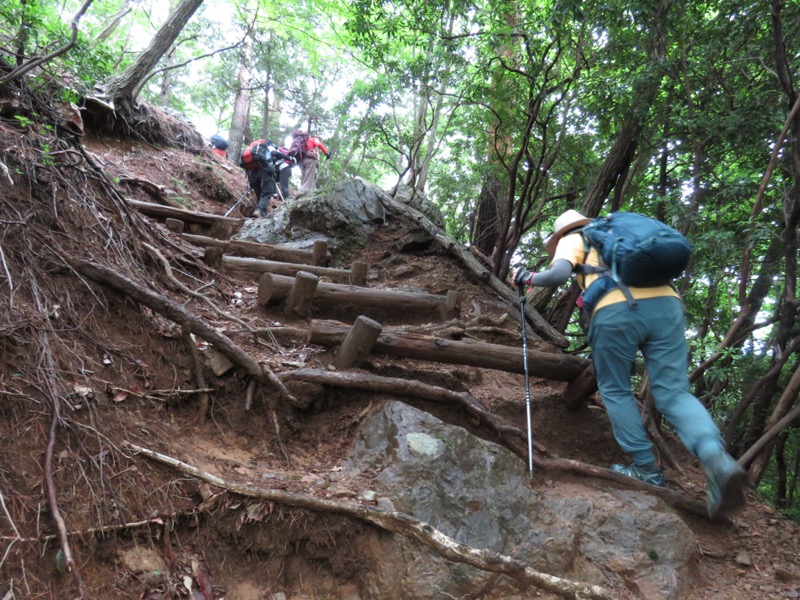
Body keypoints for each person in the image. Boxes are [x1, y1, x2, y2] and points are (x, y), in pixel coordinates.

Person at [512, 209, 749, 520]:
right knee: (675, 394)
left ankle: (646, 470)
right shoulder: (620, 234)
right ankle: (717, 460)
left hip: (615, 309)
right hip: (667, 305)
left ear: (562, 232)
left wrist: (526, 276)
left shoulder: (574, 238)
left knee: (615, 388)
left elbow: (556, 275)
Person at [245, 141, 291, 218]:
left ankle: (260, 210)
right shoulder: (268, 146)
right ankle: (260, 211)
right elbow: (273, 153)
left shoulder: (252, 151)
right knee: (266, 193)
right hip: (264, 170)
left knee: (259, 192)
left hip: (253, 173)